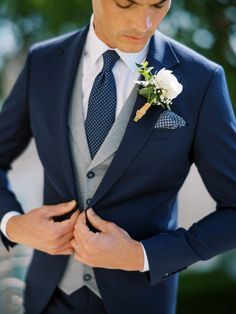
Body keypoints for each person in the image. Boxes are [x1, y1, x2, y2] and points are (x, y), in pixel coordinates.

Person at [0, 0, 235, 313]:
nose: (144, 24)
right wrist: (12, 224)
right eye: (126, 3)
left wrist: (142, 255)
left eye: (159, 4)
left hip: (140, 302)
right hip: (46, 298)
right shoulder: (42, 62)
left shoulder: (201, 79)